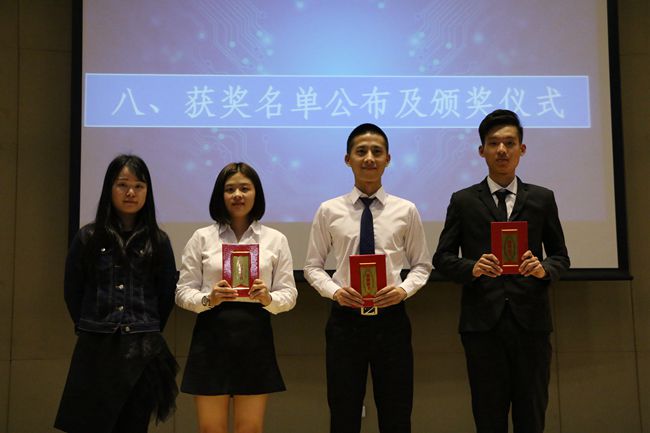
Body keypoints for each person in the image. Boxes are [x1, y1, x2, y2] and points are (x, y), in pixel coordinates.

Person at [433, 109, 570, 433]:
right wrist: (472, 267)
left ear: (522, 149)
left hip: (531, 324)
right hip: (482, 326)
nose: (502, 150)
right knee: (488, 416)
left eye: (509, 143)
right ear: (481, 150)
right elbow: (442, 258)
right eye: (494, 143)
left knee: (531, 415)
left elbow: (561, 257)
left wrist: (543, 268)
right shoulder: (464, 200)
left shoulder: (542, 199)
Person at [304, 123, 432, 433]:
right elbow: (312, 267)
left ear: (388, 158)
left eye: (377, 151)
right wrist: (335, 292)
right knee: (344, 412)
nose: (369, 158)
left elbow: (422, 265)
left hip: (392, 320)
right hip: (345, 321)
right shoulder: (328, 210)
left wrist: (403, 290)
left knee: (397, 412)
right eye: (361, 151)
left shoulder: (406, 210)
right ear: (347, 159)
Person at [55, 155, 179, 433]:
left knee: (133, 425)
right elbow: (73, 290)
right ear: (109, 188)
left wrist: (144, 327)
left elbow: (165, 295)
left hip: (142, 349)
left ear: (147, 191)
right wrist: (93, 324)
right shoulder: (87, 237)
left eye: (139, 186)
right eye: (122, 184)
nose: (131, 192)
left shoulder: (158, 241)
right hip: (95, 346)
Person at [175, 162, 297, 433]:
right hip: (210, 335)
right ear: (220, 195)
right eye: (230, 189)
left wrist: (268, 298)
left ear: (256, 193)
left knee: (250, 429)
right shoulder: (201, 238)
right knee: (210, 429)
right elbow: (182, 292)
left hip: (255, 336)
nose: (237, 195)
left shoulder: (275, 239)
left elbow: (289, 294)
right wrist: (209, 299)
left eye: (245, 188)